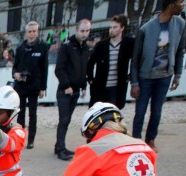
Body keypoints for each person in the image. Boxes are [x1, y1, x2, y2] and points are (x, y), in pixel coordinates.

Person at [130, 0, 186, 152]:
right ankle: (136, 140)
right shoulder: (146, 29)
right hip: (145, 77)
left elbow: (180, 50)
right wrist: (134, 82)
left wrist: (177, 74)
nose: (184, 4)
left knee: (157, 110)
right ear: (171, 5)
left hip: (165, 76)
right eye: (181, 2)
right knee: (140, 111)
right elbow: (135, 58)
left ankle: (150, 140)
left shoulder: (180, 24)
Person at [54, 19, 91, 161]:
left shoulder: (85, 48)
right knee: (63, 120)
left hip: (76, 90)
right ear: (76, 30)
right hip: (65, 91)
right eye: (82, 31)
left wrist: (83, 87)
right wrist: (66, 85)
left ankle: (60, 145)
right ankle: (60, 149)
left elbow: (83, 70)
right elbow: (59, 69)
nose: (84, 34)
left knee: (67, 120)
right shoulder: (67, 47)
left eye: (87, 31)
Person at [13, 21, 49, 149]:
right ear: (26, 33)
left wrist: (43, 88)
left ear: (37, 32)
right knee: (20, 114)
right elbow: (15, 67)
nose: (32, 34)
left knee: (32, 114)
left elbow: (44, 69)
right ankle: (20, 137)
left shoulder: (43, 47)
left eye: (34, 31)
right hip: (21, 86)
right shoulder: (20, 48)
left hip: (35, 86)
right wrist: (16, 74)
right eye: (30, 31)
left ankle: (31, 140)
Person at [87, 15, 134, 110]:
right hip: (101, 86)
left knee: (113, 113)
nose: (111, 30)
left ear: (122, 28)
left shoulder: (129, 44)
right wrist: (91, 79)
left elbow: (137, 59)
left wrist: (131, 75)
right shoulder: (102, 45)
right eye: (110, 27)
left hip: (117, 87)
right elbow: (90, 62)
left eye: (115, 27)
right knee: (97, 112)